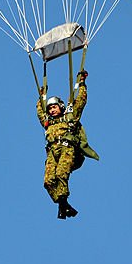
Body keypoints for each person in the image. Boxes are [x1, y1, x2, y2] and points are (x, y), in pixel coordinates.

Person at [36, 69, 94, 219]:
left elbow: (80, 101)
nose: (52, 110)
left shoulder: (70, 116)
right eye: (49, 108)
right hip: (52, 151)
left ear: (61, 107)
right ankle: (64, 205)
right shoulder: (48, 123)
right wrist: (41, 95)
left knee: (61, 174)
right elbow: (40, 111)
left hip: (67, 149)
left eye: (54, 107)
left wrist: (82, 83)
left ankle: (63, 205)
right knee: (48, 181)